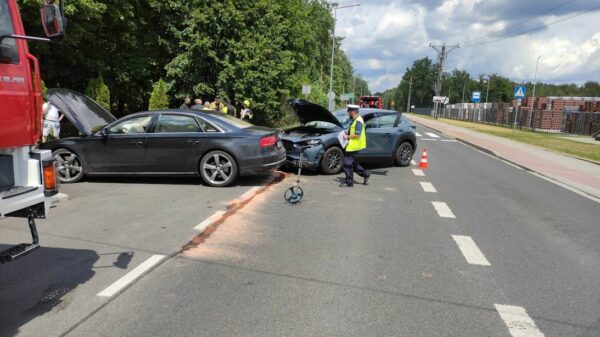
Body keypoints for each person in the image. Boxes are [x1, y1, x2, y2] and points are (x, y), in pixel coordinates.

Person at [340, 104, 370, 187]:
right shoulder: (355, 120)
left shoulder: (358, 121)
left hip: (354, 145)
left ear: (353, 112)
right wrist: (348, 133)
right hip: (353, 145)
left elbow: (357, 135)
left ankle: (349, 182)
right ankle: (365, 174)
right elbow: (354, 132)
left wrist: (347, 136)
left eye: (349, 111)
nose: (348, 113)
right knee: (352, 163)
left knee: (347, 163)